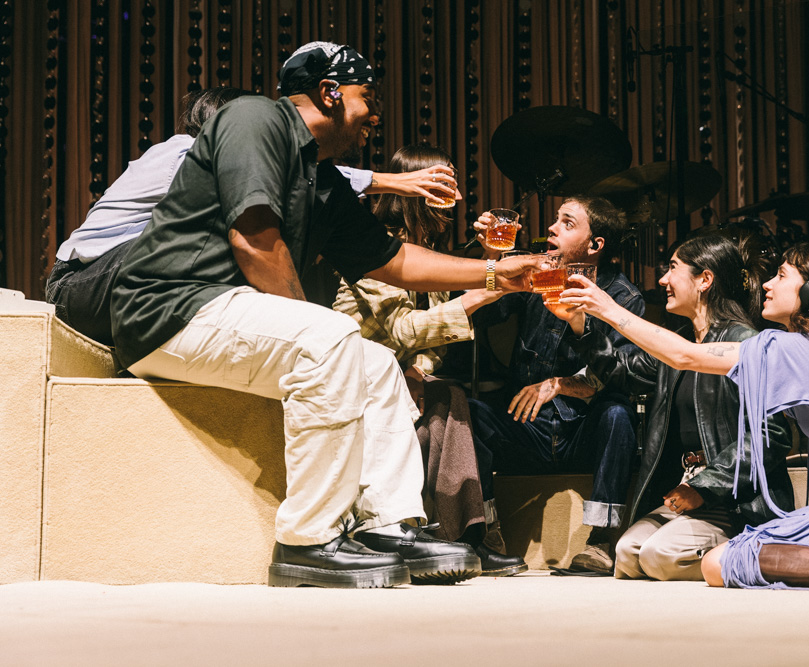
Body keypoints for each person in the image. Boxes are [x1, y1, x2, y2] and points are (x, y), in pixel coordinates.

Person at [109, 41, 540, 589]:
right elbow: (254, 237)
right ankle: (308, 540)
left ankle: (388, 525)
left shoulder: (323, 179)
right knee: (334, 336)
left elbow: (396, 261)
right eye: (368, 97)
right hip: (166, 308)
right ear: (330, 93)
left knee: (378, 362)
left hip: (220, 316)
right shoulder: (255, 116)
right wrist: (317, 333)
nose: (375, 115)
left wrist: (493, 275)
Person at [556, 241, 809, 591]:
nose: (768, 285)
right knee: (659, 554)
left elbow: (683, 355)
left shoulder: (794, 349)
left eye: (782, 276)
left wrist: (606, 308)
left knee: (718, 564)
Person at [47, 87, 453, 346]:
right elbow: (293, 170)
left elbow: (302, 174)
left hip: (127, 285)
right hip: (81, 283)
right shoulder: (181, 152)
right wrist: (390, 181)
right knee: (236, 237)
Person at [331, 144, 527, 576]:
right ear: (414, 188)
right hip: (353, 382)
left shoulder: (425, 248)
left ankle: (460, 539)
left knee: (449, 398)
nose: (452, 195)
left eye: (454, 183)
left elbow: (430, 346)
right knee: (450, 402)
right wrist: (475, 298)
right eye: (443, 183)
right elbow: (401, 329)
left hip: (400, 381)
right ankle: (465, 539)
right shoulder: (376, 250)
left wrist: (420, 370)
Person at [566, 232, 795, 581]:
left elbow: (772, 433)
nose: (662, 280)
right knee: (627, 554)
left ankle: (745, 549)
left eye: (672, 268)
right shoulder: (679, 343)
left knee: (660, 557)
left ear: (705, 279)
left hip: (735, 497)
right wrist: (578, 324)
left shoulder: (744, 341)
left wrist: (706, 485)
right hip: (689, 485)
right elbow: (620, 371)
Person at [468, 195, 644, 574]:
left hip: (582, 430)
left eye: (567, 223)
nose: (550, 228)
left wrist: (561, 383)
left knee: (618, 412)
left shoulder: (623, 296)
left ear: (595, 245)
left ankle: (600, 541)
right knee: (469, 413)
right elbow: (484, 313)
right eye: (555, 221)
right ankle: (486, 532)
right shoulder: (540, 274)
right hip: (527, 428)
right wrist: (490, 262)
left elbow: (623, 375)